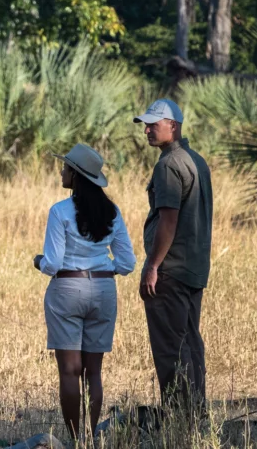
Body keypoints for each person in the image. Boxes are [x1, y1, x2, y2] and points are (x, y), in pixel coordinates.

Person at [33, 143, 136, 442]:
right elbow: (127, 263)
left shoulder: (60, 211)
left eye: (65, 168)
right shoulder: (111, 212)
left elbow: (53, 263)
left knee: (69, 371)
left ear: (76, 176)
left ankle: (74, 438)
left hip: (67, 288)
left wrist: (38, 262)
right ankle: (89, 438)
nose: (61, 172)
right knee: (93, 372)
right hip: (103, 289)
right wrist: (103, 269)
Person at [134, 98, 213, 413]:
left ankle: (179, 417)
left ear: (173, 126)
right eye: (146, 126)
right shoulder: (197, 160)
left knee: (171, 348)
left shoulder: (168, 165)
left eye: (153, 125)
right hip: (193, 267)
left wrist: (152, 266)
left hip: (171, 269)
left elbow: (168, 220)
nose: (147, 131)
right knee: (190, 342)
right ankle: (195, 412)